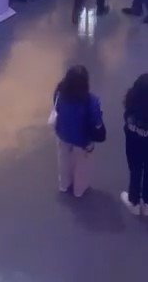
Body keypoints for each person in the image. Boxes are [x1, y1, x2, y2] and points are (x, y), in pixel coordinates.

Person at [52, 66, 105, 198]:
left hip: (62, 134)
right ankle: (79, 190)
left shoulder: (59, 94)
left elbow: (56, 109)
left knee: (64, 161)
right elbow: (97, 121)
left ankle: (64, 185)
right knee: (82, 166)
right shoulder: (91, 101)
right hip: (82, 141)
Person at [121, 74, 148, 216]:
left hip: (134, 143)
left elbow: (127, 121)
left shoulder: (131, 105)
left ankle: (134, 202)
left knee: (135, 170)